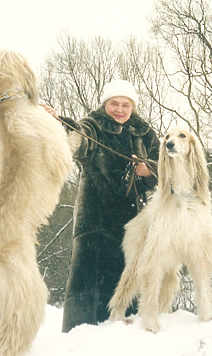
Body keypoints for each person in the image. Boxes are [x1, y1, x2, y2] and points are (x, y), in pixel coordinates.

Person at [43, 80, 159, 332]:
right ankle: (81, 337)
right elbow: (79, 141)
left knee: (129, 277)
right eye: (114, 104)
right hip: (96, 217)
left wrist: (149, 169)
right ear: (105, 104)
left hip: (133, 219)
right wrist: (58, 123)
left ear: (132, 107)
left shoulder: (144, 131)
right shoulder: (94, 125)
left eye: (125, 104)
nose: (119, 109)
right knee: (90, 277)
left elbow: (164, 165)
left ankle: (126, 332)